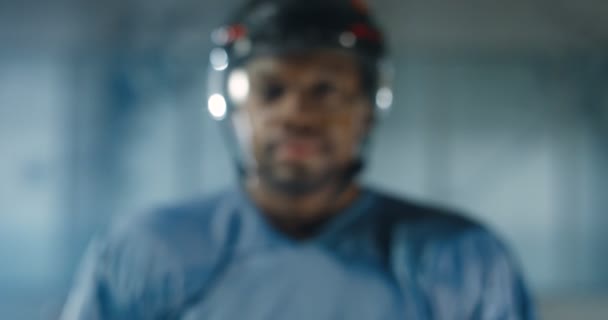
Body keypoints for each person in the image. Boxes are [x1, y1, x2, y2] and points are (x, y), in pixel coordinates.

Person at [61, 0, 535, 319]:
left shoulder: (460, 260)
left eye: (325, 90)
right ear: (231, 107)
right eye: (271, 91)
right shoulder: (149, 252)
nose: (296, 115)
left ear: (369, 109)